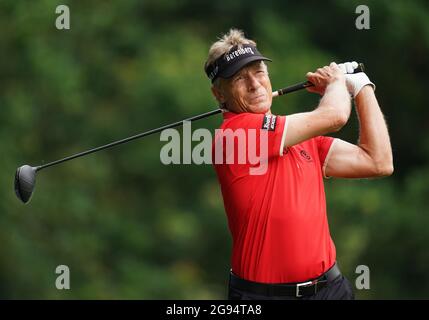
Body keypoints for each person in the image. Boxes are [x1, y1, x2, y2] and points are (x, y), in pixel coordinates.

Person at [204, 29, 393, 300]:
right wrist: (338, 82)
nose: (254, 84)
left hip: (330, 289)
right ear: (219, 94)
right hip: (265, 297)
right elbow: (335, 115)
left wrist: (362, 87)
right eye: (239, 78)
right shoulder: (234, 135)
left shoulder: (301, 138)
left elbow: (379, 161)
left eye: (259, 72)